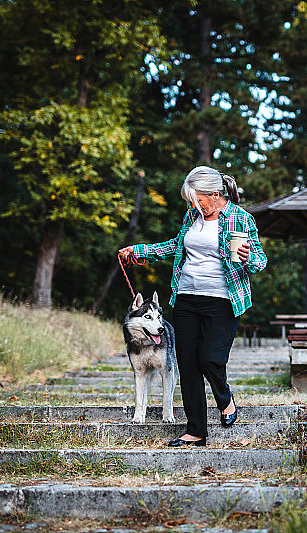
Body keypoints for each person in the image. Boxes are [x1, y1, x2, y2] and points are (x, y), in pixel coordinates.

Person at [119, 166, 267, 447]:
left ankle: (225, 397)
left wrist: (248, 257)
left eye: (199, 200)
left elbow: (260, 260)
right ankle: (196, 430)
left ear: (215, 194)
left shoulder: (241, 218)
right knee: (187, 364)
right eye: (191, 201)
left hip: (223, 300)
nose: (194, 206)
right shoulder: (191, 216)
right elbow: (176, 246)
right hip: (186, 297)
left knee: (210, 359)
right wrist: (140, 251)